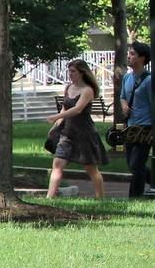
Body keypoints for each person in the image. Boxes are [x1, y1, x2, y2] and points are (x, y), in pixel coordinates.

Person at [46, 60, 108, 199]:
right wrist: (56, 125)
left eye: (73, 71)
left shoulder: (87, 90)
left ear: (82, 73)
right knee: (58, 163)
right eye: (69, 71)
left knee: (90, 167)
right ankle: (50, 197)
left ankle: (100, 197)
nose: (70, 74)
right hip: (67, 132)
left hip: (84, 133)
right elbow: (65, 107)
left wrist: (56, 116)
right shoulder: (68, 88)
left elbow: (77, 109)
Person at [120, 41, 154, 197]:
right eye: (129, 53)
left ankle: (135, 197)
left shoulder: (149, 80)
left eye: (132, 53)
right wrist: (124, 105)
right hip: (130, 127)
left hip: (145, 127)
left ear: (142, 58)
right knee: (131, 164)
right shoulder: (127, 77)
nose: (129, 56)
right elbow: (122, 97)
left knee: (136, 164)